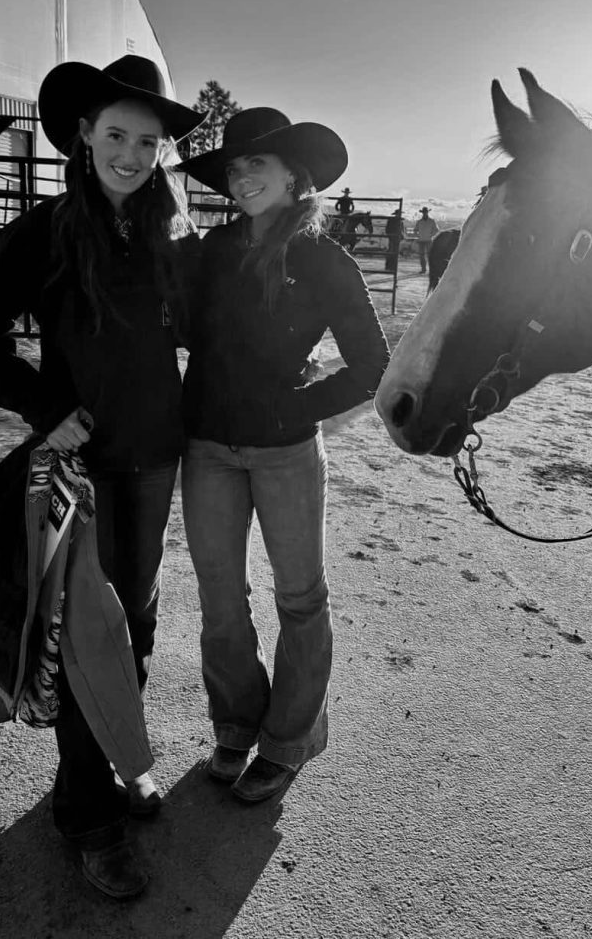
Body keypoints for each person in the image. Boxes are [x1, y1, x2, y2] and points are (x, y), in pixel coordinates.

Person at [0, 56, 205, 900]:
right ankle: (86, 814)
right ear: (85, 135)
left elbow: (208, 326)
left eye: (149, 140)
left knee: (135, 623)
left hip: (153, 459)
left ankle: (116, 757)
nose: (133, 153)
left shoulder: (171, 236)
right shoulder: (48, 229)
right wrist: (40, 406)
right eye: (118, 134)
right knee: (85, 634)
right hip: (81, 469)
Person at [175, 108, 390, 803]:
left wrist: (290, 408)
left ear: (294, 176)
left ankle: (288, 740)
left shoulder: (324, 259)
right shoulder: (211, 249)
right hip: (206, 447)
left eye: (254, 166)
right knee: (219, 598)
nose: (240, 178)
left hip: (286, 454)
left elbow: (370, 365)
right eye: (233, 168)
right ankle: (236, 722)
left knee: (299, 598)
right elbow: (174, 326)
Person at [414, 206, 439, 274]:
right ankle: (423, 269)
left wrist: (431, 235)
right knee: (422, 256)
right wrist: (418, 236)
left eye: (425, 212)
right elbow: (415, 230)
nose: (425, 213)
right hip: (422, 240)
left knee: (429, 256)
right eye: (424, 212)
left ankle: (431, 269)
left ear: (427, 212)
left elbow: (436, 230)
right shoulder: (419, 222)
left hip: (428, 240)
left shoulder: (431, 221)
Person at [384, 207, 404, 272]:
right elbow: (388, 229)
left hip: (396, 238)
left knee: (394, 252)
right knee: (391, 251)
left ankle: (391, 266)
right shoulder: (393, 221)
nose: (399, 215)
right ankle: (389, 266)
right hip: (393, 238)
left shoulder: (399, 221)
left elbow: (402, 230)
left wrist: (401, 236)